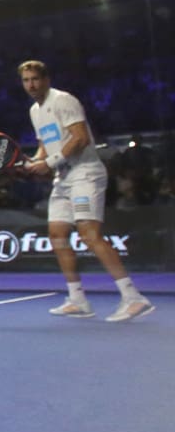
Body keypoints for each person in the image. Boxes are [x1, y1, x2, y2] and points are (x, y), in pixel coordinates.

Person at [17, 60, 154, 322]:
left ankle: (133, 298)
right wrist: (35, 161)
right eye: (26, 80)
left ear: (46, 79)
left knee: (89, 235)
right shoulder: (35, 111)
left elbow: (80, 138)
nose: (31, 85)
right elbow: (45, 145)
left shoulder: (63, 100)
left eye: (35, 79)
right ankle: (78, 300)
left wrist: (50, 162)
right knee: (57, 236)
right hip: (63, 178)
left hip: (85, 174)